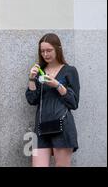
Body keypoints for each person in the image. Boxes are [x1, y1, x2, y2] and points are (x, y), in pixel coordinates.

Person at [26, 33, 80, 167]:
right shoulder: (40, 72)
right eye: (42, 51)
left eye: (49, 50)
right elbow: (32, 100)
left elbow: (73, 102)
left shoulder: (70, 71)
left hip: (62, 126)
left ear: (58, 49)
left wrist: (57, 85)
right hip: (41, 127)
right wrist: (32, 78)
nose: (45, 54)